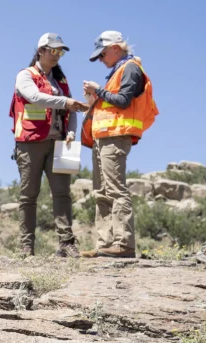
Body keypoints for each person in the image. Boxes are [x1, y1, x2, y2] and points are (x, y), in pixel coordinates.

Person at [80, 31, 158, 258]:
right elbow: (111, 104)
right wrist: (93, 100)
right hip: (103, 138)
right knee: (101, 192)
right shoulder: (117, 71)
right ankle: (105, 244)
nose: (101, 60)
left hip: (115, 138)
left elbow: (123, 101)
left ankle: (124, 244)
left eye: (102, 54)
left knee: (115, 190)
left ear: (115, 47)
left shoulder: (131, 68)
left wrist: (98, 91)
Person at [10, 33, 85, 258]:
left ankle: (66, 243)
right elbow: (34, 97)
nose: (57, 55)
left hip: (59, 142)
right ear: (41, 50)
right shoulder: (25, 75)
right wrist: (65, 101)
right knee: (28, 195)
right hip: (30, 143)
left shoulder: (61, 81)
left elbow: (72, 110)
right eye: (53, 51)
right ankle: (26, 247)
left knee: (62, 193)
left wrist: (71, 131)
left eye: (60, 52)